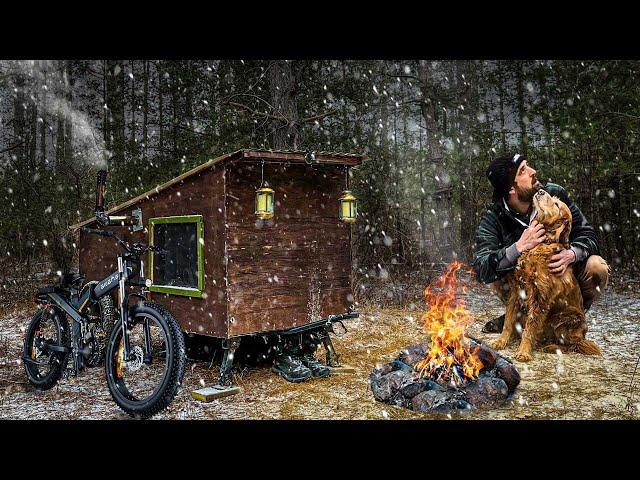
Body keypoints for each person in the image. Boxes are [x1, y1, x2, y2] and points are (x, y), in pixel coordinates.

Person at [472, 153, 610, 333]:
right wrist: (517, 248)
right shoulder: (494, 217)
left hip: (563, 283)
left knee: (597, 267)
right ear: (511, 189)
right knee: (496, 269)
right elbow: (481, 269)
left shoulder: (554, 195)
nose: (532, 172)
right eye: (523, 171)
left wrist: (572, 254)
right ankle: (520, 316)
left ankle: (569, 320)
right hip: (526, 288)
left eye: (527, 166)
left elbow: (588, 235)